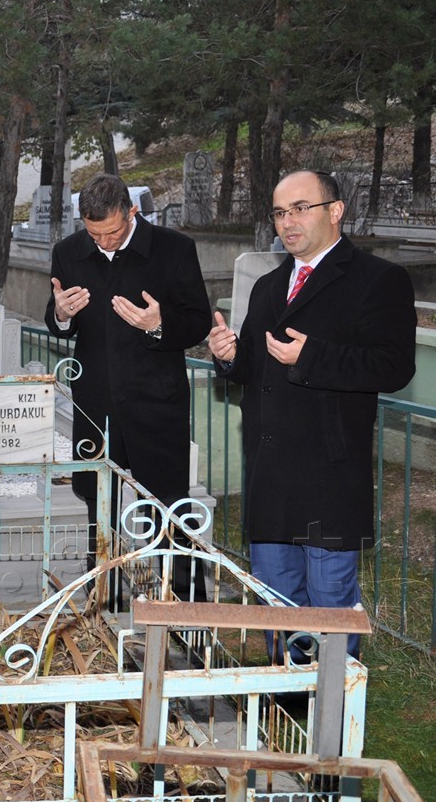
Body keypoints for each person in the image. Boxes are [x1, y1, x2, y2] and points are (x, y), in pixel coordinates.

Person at [208, 170, 415, 659]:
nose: (288, 222)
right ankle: (291, 714)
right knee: (278, 605)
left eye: (300, 208)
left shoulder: (378, 279)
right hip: (271, 478)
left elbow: (393, 366)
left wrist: (313, 356)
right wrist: (230, 356)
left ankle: (337, 723)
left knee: (330, 605)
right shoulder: (268, 285)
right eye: (280, 212)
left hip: (328, 477)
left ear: (335, 211)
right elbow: (254, 370)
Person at [45, 173, 212, 603]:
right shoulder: (69, 252)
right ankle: (104, 601)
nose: (103, 242)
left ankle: (182, 608)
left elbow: (196, 321)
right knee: (97, 505)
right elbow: (59, 321)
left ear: (132, 211)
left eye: (113, 232)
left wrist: (159, 325)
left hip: (157, 401)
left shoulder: (174, 249)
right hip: (95, 404)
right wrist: (61, 314)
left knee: (169, 507)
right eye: (93, 232)